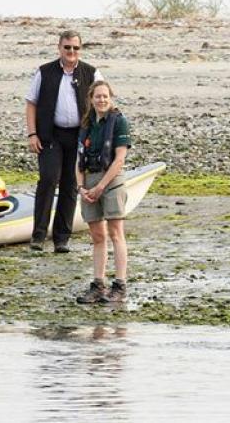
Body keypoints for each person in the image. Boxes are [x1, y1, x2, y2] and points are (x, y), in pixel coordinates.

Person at [25, 30, 104, 253]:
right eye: (67, 47)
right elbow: (31, 103)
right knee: (48, 179)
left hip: (79, 138)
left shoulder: (92, 73)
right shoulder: (44, 72)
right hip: (50, 135)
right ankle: (38, 236)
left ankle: (62, 238)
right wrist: (32, 134)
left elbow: (103, 101)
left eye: (75, 48)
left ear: (80, 49)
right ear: (59, 48)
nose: (71, 52)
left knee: (71, 185)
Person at [75, 81, 131, 304]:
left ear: (111, 97)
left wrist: (100, 187)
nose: (101, 100)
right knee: (97, 236)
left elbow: (119, 160)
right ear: (91, 99)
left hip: (111, 181)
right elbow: (78, 161)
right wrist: (81, 187)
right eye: (97, 96)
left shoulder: (119, 122)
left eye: (105, 96)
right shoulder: (87, 124)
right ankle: (98, 285)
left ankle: (119, 286)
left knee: (116, 233)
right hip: (89, 180)